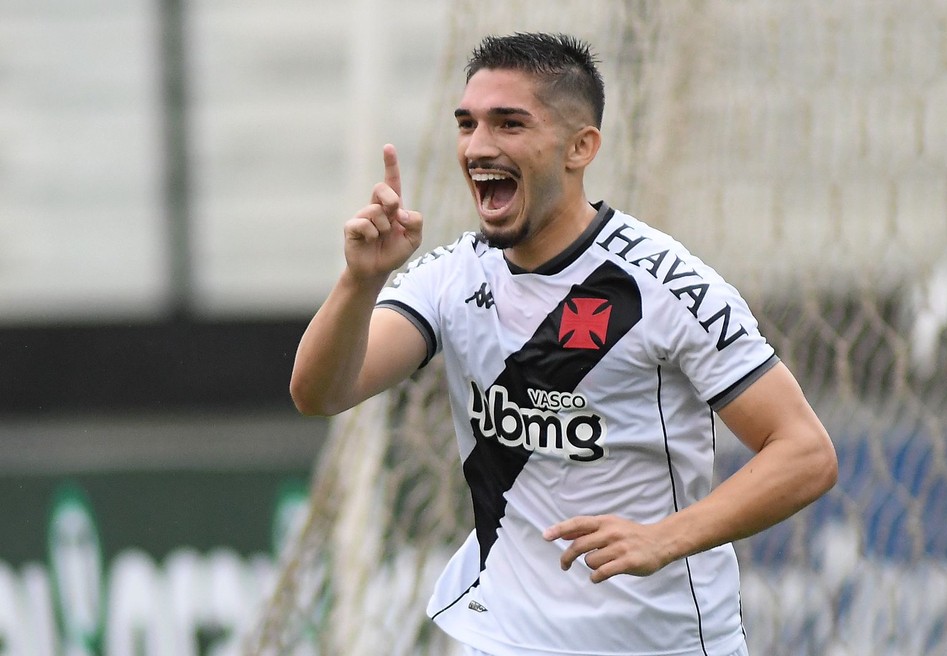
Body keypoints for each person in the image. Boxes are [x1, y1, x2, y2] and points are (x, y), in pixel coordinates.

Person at [290, 32, 838, 656]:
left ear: (582, 147)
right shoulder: (449, 275)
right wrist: (361, 280)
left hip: (660, 644)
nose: (478, 146)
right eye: (467, 124)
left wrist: (665, 538)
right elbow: (321, 393)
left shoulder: (666, 286)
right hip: (501, 640)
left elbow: (804, 453)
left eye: (509, 124)